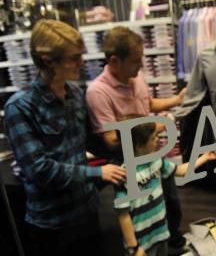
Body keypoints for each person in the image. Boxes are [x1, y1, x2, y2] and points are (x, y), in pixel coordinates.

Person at [4, 19, 126, 256]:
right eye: (74, 58)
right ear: (49, 60)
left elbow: (88, 141)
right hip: (52, 223)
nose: (82, 63)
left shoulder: (75, 94)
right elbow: (38, 170)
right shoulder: (19, 107)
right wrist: (98, 173)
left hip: (86, 210)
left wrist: (129, 144)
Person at [86, 26, 188, 253]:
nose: (141, 65)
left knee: (170, 202)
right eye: (135, 60)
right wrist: (156, 126)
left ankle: (169, 242)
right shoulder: (98, 92)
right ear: (114, 61)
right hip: (132, 164)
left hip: (152, 153)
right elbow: (112, 139)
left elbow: (147, 103)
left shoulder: (136, 76)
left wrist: (176, 100)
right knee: (140, 213)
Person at [114, 116, 216, 256]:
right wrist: (134, 247)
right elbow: (123, 216)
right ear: (139, 145)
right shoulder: (123, 175)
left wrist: (204, 157)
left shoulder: (156, 161)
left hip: (161, 234)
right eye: (153, 137)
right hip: (141, 244)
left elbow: (180, 171)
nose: (158, 139)